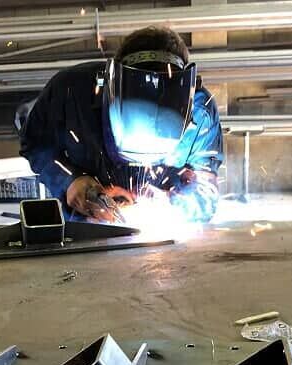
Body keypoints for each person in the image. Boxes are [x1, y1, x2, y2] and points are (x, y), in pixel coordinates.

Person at [19, 26, 223, 224]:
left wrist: (171, 203)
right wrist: (71, 181)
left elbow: (205, 191)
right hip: (87, 228)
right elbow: (35, 145)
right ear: (111, 87)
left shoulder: (200, 112)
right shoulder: (70, 91)